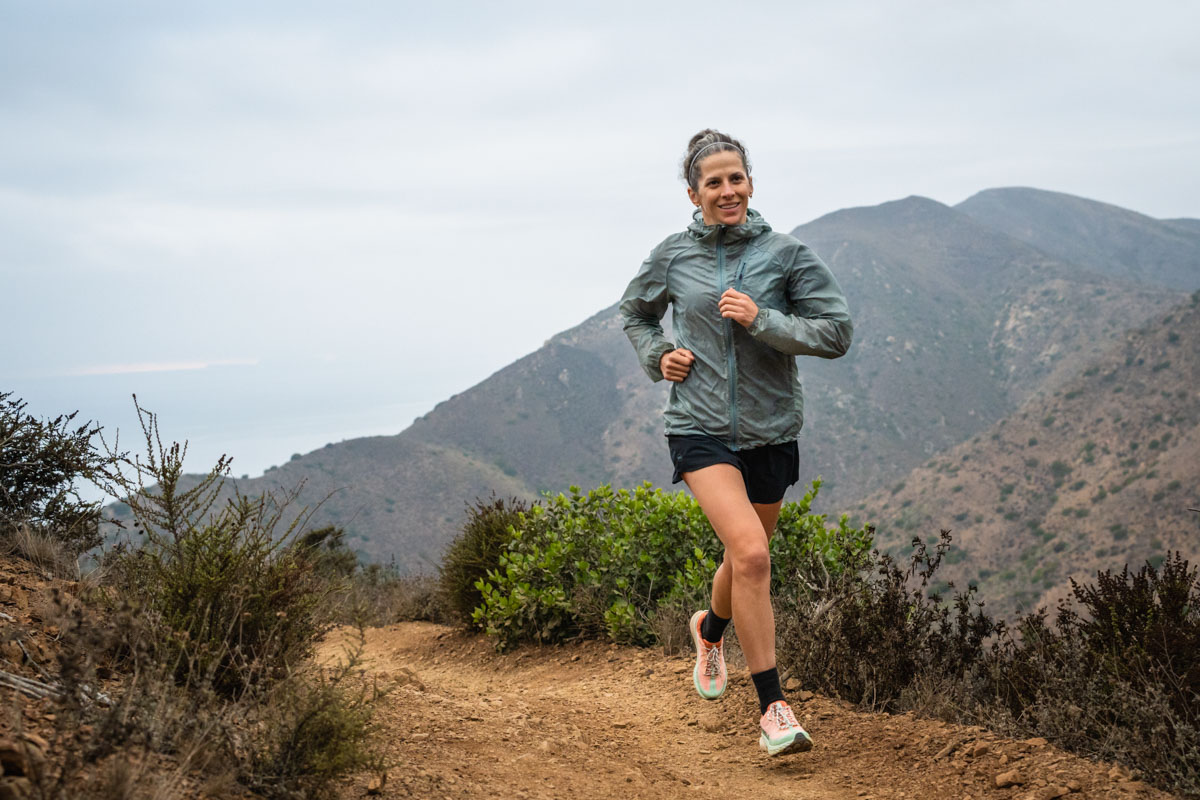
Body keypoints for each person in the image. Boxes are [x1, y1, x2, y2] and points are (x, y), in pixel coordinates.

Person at [619, 129, 853, 756]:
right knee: (750, 555)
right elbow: (635, 313)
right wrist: (658, 353)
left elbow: (836, 332)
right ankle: (774, 709)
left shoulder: (787, 254)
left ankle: (710, 626)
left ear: (750, 182)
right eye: (713, 182)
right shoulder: (673, 256)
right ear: (692, 192)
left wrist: (762, 319)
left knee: (742, 560)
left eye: (736, 178)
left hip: (771, 432)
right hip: (697, 428)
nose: (727, 191)